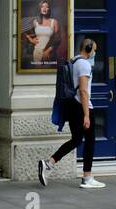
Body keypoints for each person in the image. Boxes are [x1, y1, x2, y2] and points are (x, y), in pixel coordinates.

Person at [39, 38, 104, 189]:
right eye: (94, 50)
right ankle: (87, 177)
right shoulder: (84, 65)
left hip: (72, 106)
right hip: (82, 107)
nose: (95, 53)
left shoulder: (74, 61)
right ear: (88, 49)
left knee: (76, 140)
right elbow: (83, 90)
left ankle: (48, 164)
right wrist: (87, 115)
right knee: (90, 142)